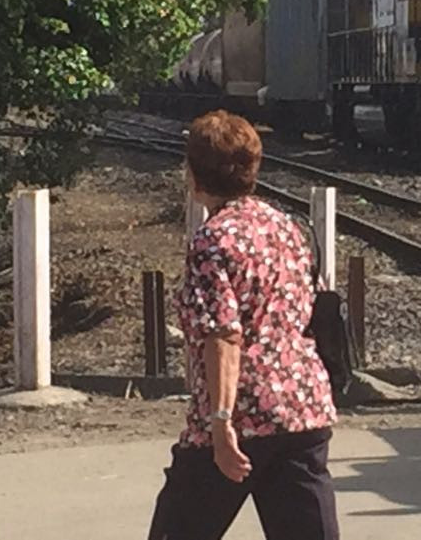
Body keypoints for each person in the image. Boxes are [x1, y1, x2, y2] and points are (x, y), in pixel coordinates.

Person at [148, 110, 339, 540]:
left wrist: (220, 424)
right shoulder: (288, 228)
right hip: (301, 409)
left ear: (196, 175)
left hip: (241, 417)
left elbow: (224, 334)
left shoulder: (211, 241)